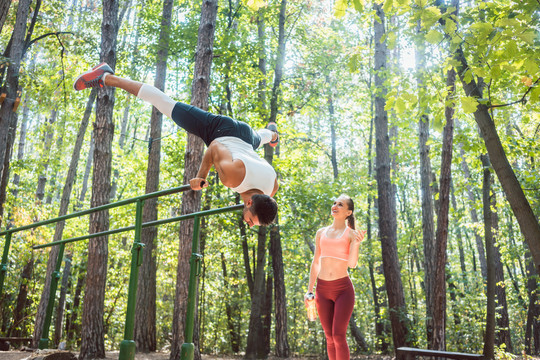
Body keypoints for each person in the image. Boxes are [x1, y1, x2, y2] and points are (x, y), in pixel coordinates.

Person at [73, 63, 279, 227]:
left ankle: (272, 133)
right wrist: (201, 176)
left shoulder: (271, 188)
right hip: (221, 131)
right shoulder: (231, 178)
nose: (249, 225)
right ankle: (106, 76)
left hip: (248, 139)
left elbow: (253, 167)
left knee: (258, 139)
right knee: (164, 104)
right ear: (250, 203)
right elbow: (215, 147)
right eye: (251, 221)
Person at [305, 194, 366, 360]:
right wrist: (310, 290)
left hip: (343, 290)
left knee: (338, 336)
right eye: (334, 203)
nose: (335, 206)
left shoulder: (352, 234)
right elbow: (316, 262)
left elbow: (352, 264)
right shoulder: (321, 233)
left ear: (348, 212)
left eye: (340, 204)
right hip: (322, 290)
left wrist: (357, 244)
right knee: (329, 338)